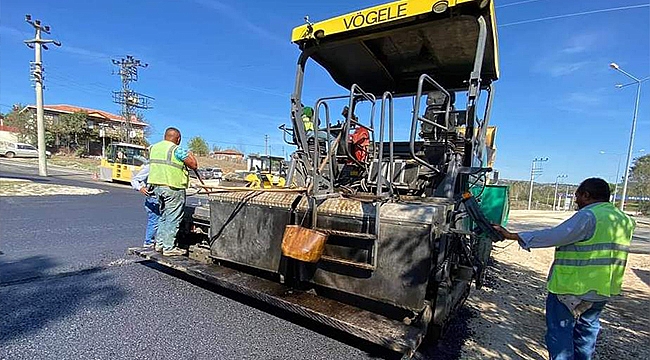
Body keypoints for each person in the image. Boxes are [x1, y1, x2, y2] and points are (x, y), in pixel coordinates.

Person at [493, 178, 636, 360]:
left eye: (577, 196)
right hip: (601, 290)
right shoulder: (624, 219)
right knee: (587, 332)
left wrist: (513, 235)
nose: (576, 201)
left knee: (560, 333)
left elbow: (555, 235)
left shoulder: (589, 216)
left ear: (586, 195)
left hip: (572, 289)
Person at [147, 127, 198, 256]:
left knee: (163, 216)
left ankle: (159, 244)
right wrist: (190, 154)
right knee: (173, 217)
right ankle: (169, 248)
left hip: (158, 187)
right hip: (172, 187)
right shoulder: (176, 150)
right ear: (178, 138)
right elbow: (193, 165)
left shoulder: (154, 148)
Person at [130, 158, 160, 249]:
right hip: (153, 198)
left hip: (158, 198)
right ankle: (149, 242)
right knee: (155, 220)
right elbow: (134, 180)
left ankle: (153, 241)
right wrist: (140, 188)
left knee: (156, 221)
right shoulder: (150, 167)